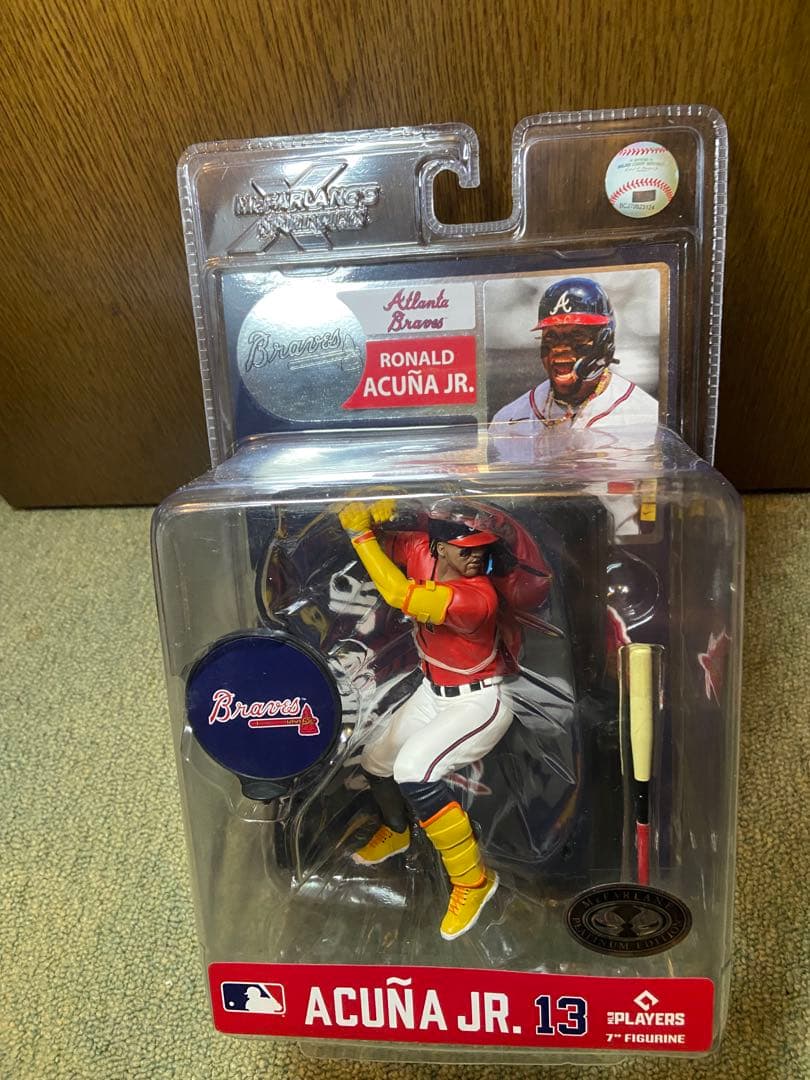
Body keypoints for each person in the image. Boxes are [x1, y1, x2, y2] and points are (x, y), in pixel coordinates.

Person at [337, 498, 521, 941]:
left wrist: (360, 534)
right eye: (465, 547)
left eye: (481, 546)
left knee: (414, 771)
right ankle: (396, 831)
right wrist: (378, 514)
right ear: (440, 548)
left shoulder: (478, 595)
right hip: (432, 691)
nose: (476, 554)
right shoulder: (421, 549)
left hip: (479, 701)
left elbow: (398, 594)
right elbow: (391, 543)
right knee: (376, 761)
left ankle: (474, 882)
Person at [490, 277, 658, 433]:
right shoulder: (508, 420)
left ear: (605, 341)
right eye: (551, 337)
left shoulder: (646, 416)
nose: (560, 349)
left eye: (576, 336)